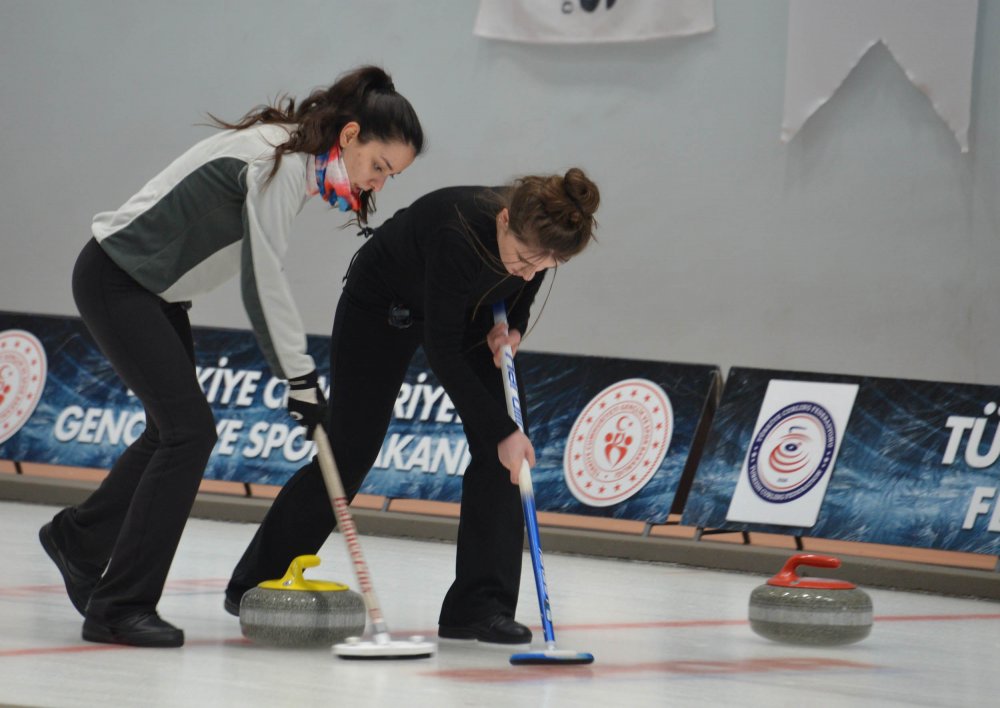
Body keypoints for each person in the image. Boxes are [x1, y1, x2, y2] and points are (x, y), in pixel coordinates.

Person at [38, 66, 424, 648]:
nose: (378, 183)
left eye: (390, 176)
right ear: (349, 136)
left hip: (154, 293)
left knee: (172, 432)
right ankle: (119, 607)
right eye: (379, 166)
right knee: (188, 433)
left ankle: (79, 541)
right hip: (118, 280)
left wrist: (298, 376)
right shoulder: (280, 163)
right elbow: (263, 280)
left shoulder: (291, 153)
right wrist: (300, 378)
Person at [225, 168, 599, 644]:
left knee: (504, 460)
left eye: (549, 264)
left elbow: (527, 279)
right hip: (381, 309)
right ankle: (256, 581)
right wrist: (503, 431)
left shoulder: (537, 236)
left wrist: (514, 326)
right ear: (504, 220)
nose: (531, 271)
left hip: (472, 314)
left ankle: (479, 606)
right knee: (350, 451)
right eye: (525, 258)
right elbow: (442, 351)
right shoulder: (457, 231)